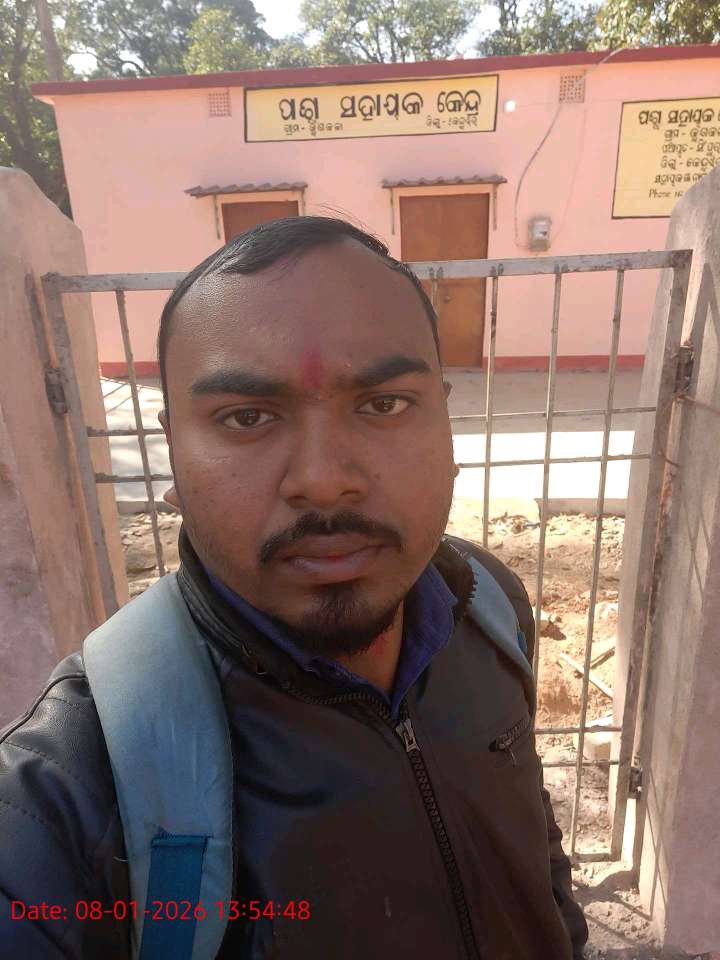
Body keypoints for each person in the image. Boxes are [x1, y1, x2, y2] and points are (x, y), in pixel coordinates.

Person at [0, 216, 588, 959]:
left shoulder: (489, 606)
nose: (323, 481)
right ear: (173, 450)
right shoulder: (63, 794)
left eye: (384, 404)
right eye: (246, 417)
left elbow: (533, 847)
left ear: (444, 416)